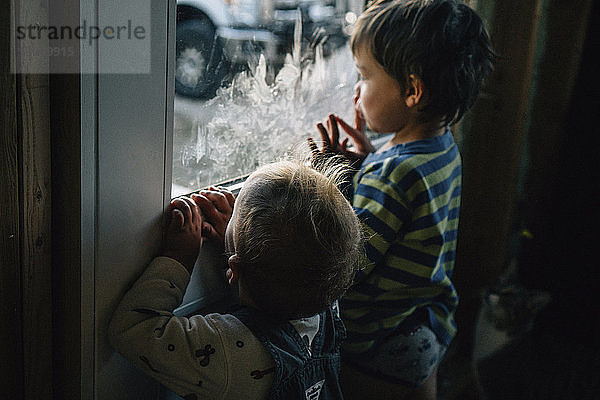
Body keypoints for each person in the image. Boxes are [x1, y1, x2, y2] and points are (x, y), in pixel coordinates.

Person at [308, 0, 494, 398]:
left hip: (375, 345)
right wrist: (368, 164)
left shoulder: (391, 175)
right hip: (423, 324)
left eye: (365, 76)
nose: (357, 90)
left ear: (412, 90)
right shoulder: (442, 147)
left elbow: (347, 266)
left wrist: (333, 178)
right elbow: (410, 212)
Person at [108, 160, 364, 400]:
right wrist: (244, 250)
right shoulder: (325, 302)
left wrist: (179, 258)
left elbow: (132, 328)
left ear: (234, 270)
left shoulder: (230, 354)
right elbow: (278, 281)